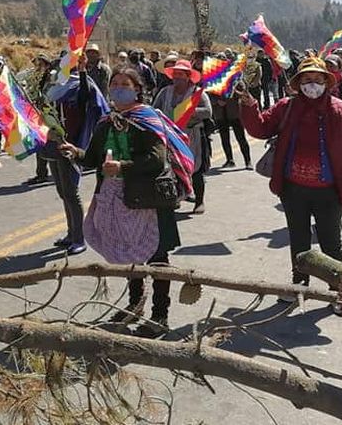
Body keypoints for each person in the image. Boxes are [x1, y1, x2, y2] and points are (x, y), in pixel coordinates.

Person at [60, 67, 188, 337]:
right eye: (114, 84)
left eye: (125, 84)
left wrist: (122, 167)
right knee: (129, 255)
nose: (119, 88)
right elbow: (94, 158)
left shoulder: (146, 119)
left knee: (157, 257)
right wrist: (75, 152)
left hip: (148, 199)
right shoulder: (107, 122)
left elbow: (154, 160)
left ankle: (160, 315)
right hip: (116, 200)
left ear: (138, 89)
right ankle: (135, 305)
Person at [239, 57, 342, 295]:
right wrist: (249, 105)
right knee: (298, 240)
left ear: (326, 82)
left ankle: (338, 289)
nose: (312, 85)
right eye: (307, 80)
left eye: (317, 80)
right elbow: (260, 128)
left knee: (331, 242)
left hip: (330, 191)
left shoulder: (341, 110)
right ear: (298, 83)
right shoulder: (286, 107)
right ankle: (299, 285)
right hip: (293, 190)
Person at [42, 58, 110, 254]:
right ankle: (71, 234)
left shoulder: (79, 87)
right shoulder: (54, 90)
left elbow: (86, 95)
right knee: (63, 193)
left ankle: (79, 238)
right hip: (54, 146)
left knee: (71, 193)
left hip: (71, 146)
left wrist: (81, 72)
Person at [153, 59, 213, 212]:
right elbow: (154, 109)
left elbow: (208, 111)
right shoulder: (165, 92)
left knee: (196, 169)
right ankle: (176, 197)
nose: (177, 77)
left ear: (188, 76)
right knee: (172, 169)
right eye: (175, 74)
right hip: (169, 137)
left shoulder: (197, 93)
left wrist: (190, 111)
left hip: (192, 136)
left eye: (181, 74)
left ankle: (199, 201)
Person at [23, 53, 55, 186]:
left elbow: (51, 96)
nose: (37, 67)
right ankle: (41, 174)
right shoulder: (35, 78)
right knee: (40, 145)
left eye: (40, 64)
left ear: (47, 65)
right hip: (37, 116)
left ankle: (56, 173)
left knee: (52, 145)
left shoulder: (52, 79)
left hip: (49, 116)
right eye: (36, 64)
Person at [209, 86, 252, 171]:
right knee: (224, 138)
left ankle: (248, 161)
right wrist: (217, 101)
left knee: (241, 138)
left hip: (234, 113)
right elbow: (209, 96)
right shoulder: (214, 80)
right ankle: (230, 160)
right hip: (220, 114)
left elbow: (244, 95)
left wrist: (233, 90)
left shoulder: (236, 79)